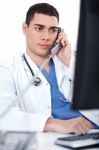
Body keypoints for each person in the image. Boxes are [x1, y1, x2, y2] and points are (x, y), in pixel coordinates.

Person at [0, 3, 98, 134]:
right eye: (39, 28)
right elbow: (3, 115)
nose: (46, 37)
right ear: (25, 28)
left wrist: (69, 62)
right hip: (59, 138)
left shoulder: (73, 58)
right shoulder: (9, 68)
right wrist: (54, 124)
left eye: (52, 30)